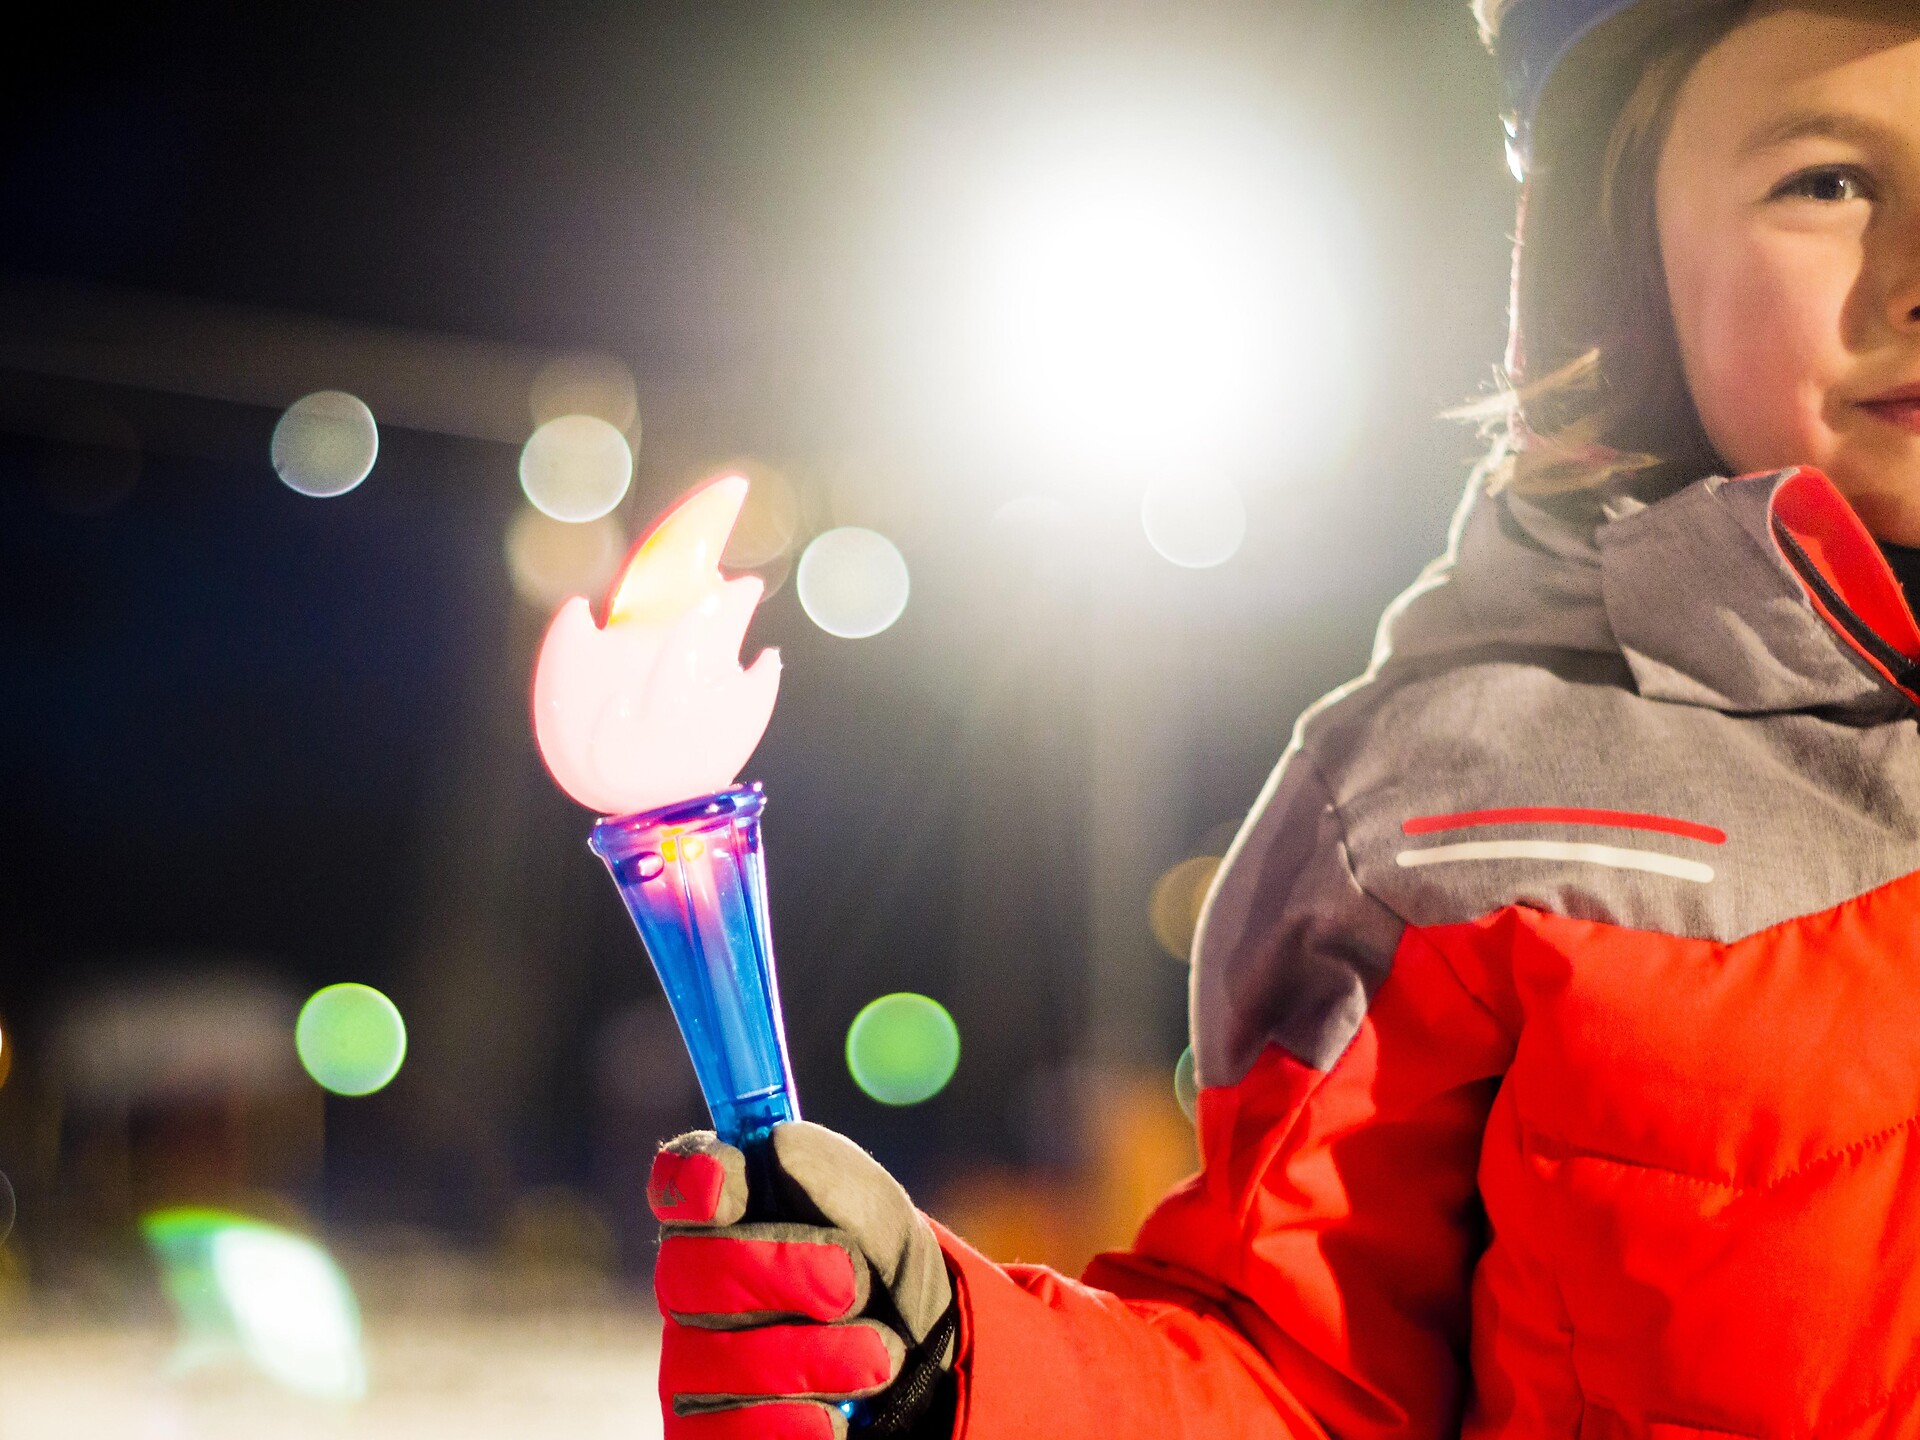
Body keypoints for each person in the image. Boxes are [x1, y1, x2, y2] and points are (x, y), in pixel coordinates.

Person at [644, 2, 1920, 1435]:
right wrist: (957, 1377)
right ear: (1624, 254)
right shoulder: (1475, 799)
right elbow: (1299, 1381)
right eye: (1828, 179)